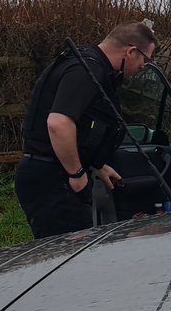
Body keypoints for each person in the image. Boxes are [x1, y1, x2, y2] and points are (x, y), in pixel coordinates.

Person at [15, 21, 158, 239]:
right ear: (131, 52)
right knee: (67, 256)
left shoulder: (93, 67)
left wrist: (97, 165)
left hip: (52, 173)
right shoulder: (85, 71)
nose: (142, 67)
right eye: (145, 60)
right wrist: (77, 173)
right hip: (51, 179)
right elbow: (59, 124)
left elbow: (83, 126)